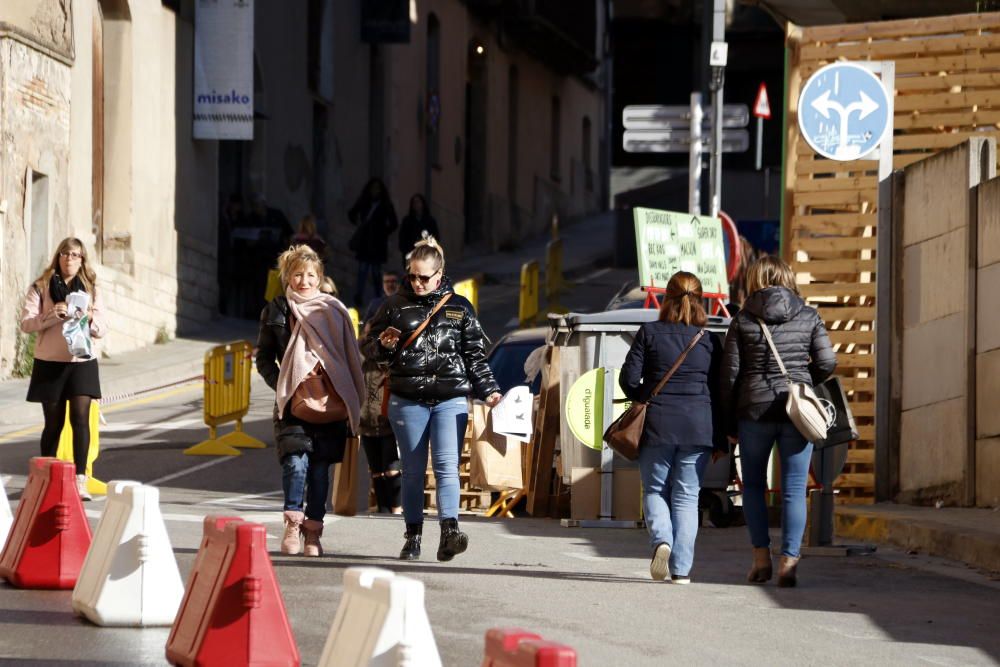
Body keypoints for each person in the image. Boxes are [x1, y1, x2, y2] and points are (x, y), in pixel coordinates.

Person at [362, 236, 502, 561]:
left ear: (439, 274)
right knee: (412, 471)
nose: (417, 282)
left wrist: (490, 389)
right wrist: (383, 345)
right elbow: (368, 348)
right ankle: (412, 536)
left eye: (424, 277)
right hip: (406, 398)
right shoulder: (393, 305)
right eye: (412, 276)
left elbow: (474, 357)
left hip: (450, 397)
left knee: (446, 466)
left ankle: (449, 531)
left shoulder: (459, 307)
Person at [720, 255, 836, 587]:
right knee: (794, 489)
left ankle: (760, 560)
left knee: (753, 486)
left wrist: (728, 422)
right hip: (795, 411)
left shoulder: (742, 319)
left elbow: (730, 376)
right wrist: (803, 381)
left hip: (753, 410)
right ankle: (788, 561)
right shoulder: (809, 315)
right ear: (788, 278)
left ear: (755, 280)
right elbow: (827, 361)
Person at [256, 245, 364, 557]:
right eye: (298, 274)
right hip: (293, 402)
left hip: (331, 401)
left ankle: (313, 534)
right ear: (287, 276)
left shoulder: (333, 310)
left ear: (320, 278)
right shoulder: (276, 310)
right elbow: (263, 356)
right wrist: (283, 385)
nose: (304, 281)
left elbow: (349, 355)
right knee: (294, 463)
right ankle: (292, 524)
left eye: (311, 275)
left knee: (319, 471)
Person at [619, 271, 723, 584]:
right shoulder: (709, 340)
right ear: (701, 298)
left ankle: (662, 540)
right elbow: (719, 391)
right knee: (687, 497)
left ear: (667, 297)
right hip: (698, 426)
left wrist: (645, 397)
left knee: (655, 489)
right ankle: (681, 571)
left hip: (658, 423)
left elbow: (628, 379)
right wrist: (720, 436)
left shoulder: (649, 332)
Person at [20, 238, 106, 500]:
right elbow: (26, 324)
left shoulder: (91, 288)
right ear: (58, 257)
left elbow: (102, 327)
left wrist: (90, 317)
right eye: (65, 254)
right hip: (50, 363)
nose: (70, 259)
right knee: (53, 424)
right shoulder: (41, 287)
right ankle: (46, 479)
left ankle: (81, 479)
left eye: (76, 255)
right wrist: (50, 316)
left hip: (81, 362)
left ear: (82, 260)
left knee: (80, 420)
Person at [348, 178, 398, 309]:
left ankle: (378, 299)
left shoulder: (385, 204)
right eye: (373, 188)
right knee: (362, 272)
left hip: (378, 244)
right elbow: (351, 214)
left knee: (376, 273)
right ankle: (359, 298)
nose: (375, 191)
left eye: (377, 188)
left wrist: (384, 232)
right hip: (365, 242)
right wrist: (359, 223)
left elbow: (394, 222)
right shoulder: (364, 201)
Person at [398, 194, 439, 260]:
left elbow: (435, 236)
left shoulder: (430, 221)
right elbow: (402, 236)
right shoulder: (407, 221)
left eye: (418, 202)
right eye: (414, 202)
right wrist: (404, 249)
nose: (416, 205)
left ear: (422, 204)